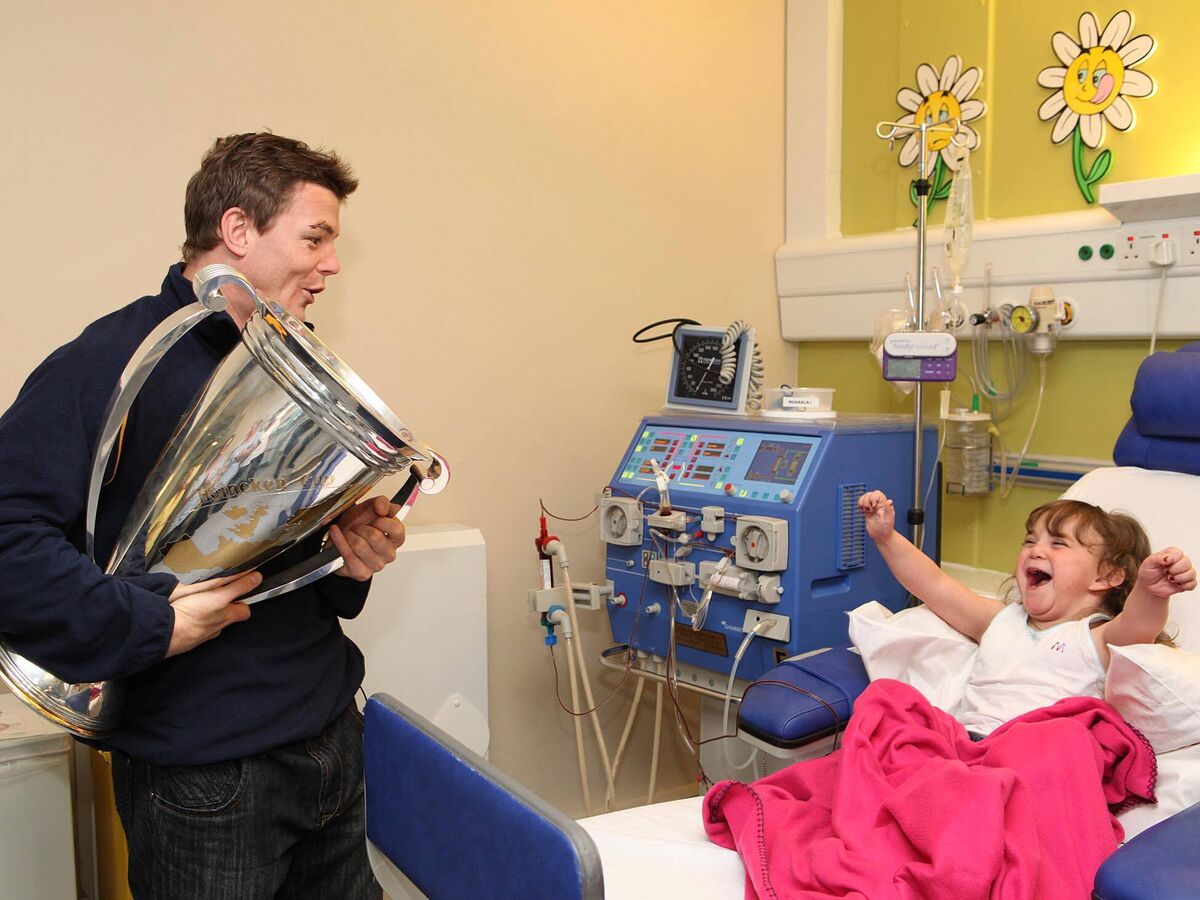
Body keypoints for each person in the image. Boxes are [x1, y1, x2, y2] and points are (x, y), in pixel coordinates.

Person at [0, 133, 402, 898]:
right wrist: (148, 624)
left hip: (329, 744)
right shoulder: (110, 360)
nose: (332, 265)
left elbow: (267, 544)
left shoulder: (297, 361)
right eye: (314, 238)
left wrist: (347, 555)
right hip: (207, 779)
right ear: (238, 231)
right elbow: (8, 539)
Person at [858, 490, 1197, 736]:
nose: (1036, 550)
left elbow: (1140, 625)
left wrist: (1152, 590)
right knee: (885, 703)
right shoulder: (999, 620)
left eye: (1058, 544)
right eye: (1030, 540)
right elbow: (933, 584)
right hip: (964, 744)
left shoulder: (1096, 638)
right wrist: (886, 537)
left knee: (1066, 744)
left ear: (1107, 575)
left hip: (1030, 756)